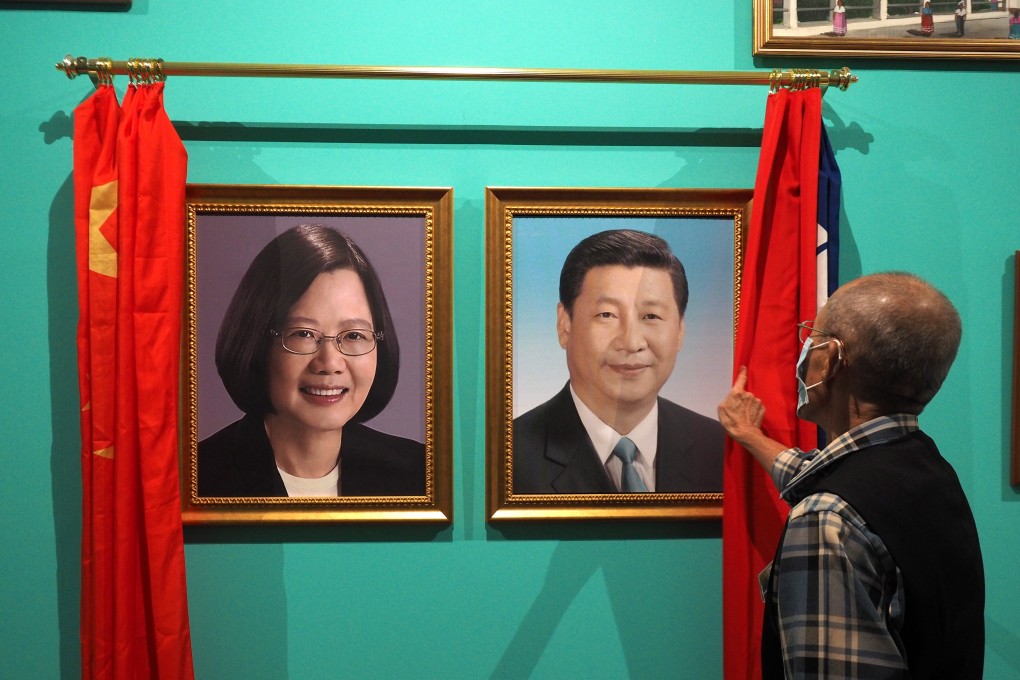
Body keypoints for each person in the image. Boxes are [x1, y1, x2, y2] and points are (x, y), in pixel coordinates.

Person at [718, 272, 984, 678]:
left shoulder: (826, 517)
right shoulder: (925, 468)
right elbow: (826, 476)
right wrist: (750, 436)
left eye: (813, 334)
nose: (806, 347)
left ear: (831, 358)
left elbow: (835, 503)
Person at [198, 224, 425, 497]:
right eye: (303, 334)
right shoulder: (198, 477)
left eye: (354, 334)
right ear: (256, 343)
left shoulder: (419, 474)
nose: (329, 363)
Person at [514, 229, 724, 494]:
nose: (631, 342)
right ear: (564, 324)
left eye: (651, 316)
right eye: (607, 314)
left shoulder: (718, 448)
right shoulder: (509, 456)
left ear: (680, 331)